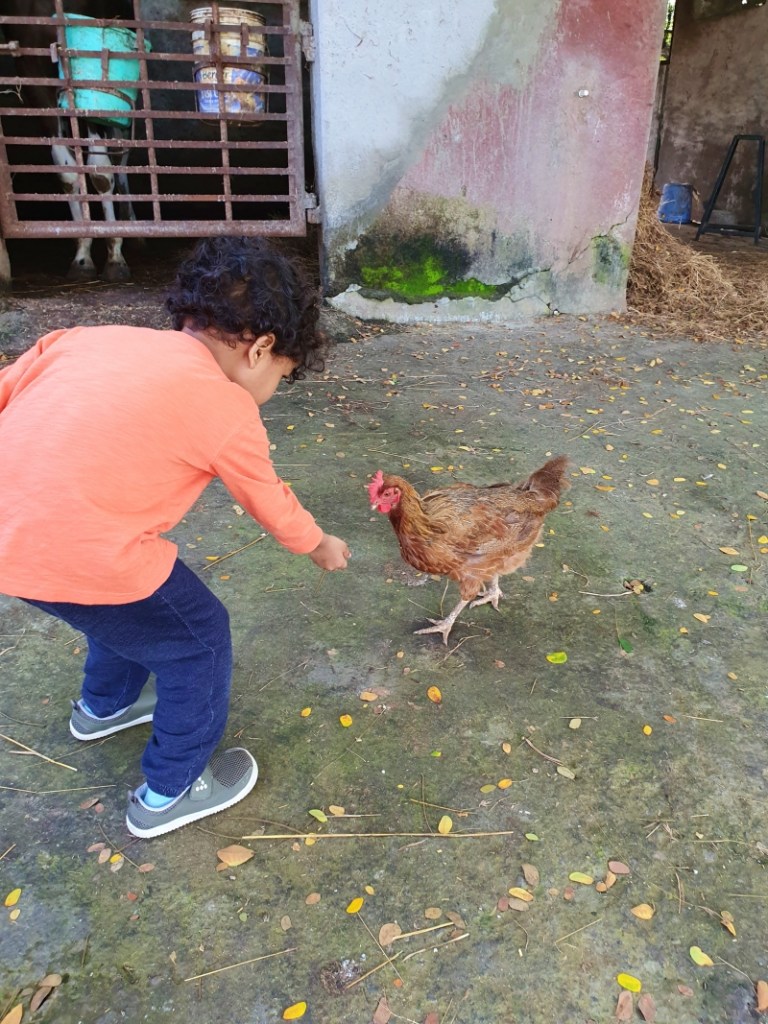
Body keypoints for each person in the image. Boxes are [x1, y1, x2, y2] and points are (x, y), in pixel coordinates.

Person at [0, 236, 350, 838]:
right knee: (196, 637)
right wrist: (317, 543)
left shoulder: (81, 339)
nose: (271, 392)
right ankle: (170, 789)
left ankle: (103, 708)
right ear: (262, 349)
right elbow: (268, 500)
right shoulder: (225, 406)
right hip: (91, 551)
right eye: (282, 377)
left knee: (121, 609)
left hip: (13, 541)